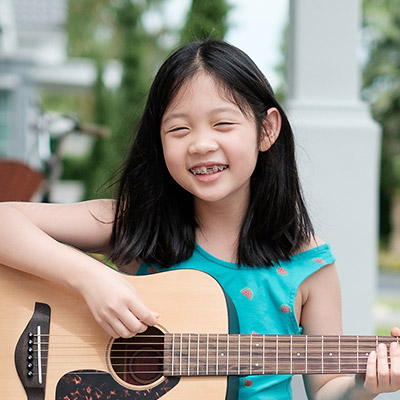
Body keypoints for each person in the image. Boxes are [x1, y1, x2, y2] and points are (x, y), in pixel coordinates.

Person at [0, 39, 399, 400]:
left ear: (267, 130)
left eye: (223, 123)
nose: (202, 144)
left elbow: (328, 389)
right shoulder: (135, 224)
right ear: (159, 140)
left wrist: (364, 385)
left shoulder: (307, 263)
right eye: (179, 128)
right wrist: (90, 279)